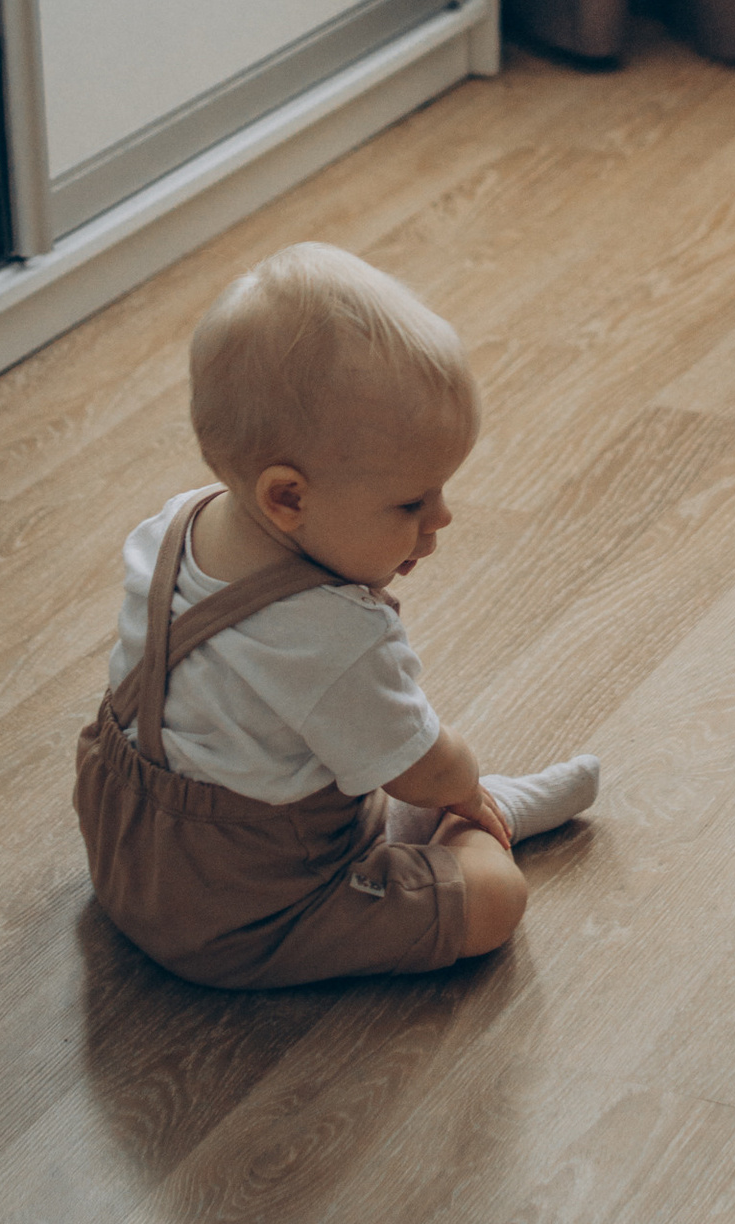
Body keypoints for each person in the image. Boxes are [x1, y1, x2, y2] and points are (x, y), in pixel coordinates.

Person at [75, 243, 601, 988]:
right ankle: (487, 824)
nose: (442, 517)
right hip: (247, 916)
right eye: (412, 502)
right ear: (288, 498)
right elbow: (424, 767)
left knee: (355, 771)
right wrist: (462, 786)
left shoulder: (172, 525)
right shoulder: (334, 634)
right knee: (493, 900)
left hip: (128, 854)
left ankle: (440, 829)